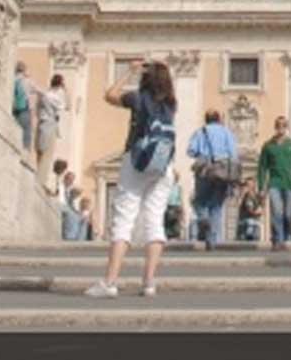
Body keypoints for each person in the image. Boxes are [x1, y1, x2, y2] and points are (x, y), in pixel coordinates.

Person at [84, 59, 176, 299]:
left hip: (136, 161)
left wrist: (130, 71)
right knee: (155, 221)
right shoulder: (170, 104)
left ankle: (110, 282)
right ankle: (148, 283)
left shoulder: (138, 98)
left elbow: (110, 95)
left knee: (124, 218)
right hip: (163, 165)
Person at [186, 109, 237, 249]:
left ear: (206, 119)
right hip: (222, 170)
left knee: (199, 201)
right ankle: (212, 240)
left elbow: (190, 150)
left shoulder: (200, 132)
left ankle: (203, 219)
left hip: (205, 170)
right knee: (217, 206)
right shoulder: (226, 132)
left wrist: (201, 153)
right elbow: (233, 153)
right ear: (219, 119)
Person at [256, 115, 291, 250]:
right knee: (276, 211)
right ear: (275, 127)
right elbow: (262, 168)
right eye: (278, 125)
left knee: (288, 214)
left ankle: (285, 235)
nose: (281, 128)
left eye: (283, 125)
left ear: (287, 127)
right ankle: (277, 239)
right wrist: (261, 186)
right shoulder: (268, 146)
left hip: (290, 184)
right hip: (274, 183)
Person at [11, 63, 33, 150]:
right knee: (26, 130)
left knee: (15, 127)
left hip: (14, 108)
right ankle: (25, 149)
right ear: (24, 70)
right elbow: (40, 91)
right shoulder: (26, 81)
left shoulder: (13, 79)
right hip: (24, 108)